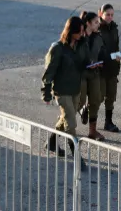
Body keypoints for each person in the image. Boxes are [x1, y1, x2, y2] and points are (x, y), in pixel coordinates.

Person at [41, 16, 89, 156]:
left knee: (66, 118)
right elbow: (48, 72)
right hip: (62, 91)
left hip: (75, 89)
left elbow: (83, 63)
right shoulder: (58, 48)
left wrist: (91, 66)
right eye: (79, 32)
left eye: (82, 32)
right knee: (71, 123)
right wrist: (46, 92)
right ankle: (76, 154)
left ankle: (51, 142)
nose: (81, 34)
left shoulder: (80, 45)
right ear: (70, 31)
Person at [78, 11, 106, 140]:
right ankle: (62, 126)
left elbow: (102, 53)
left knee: (96, 100)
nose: (98, 24)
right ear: (88, 23)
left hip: (94, 73)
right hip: (81, 75)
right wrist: (85, 64)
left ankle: (92, 131)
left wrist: (101, 63)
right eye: (95, 22)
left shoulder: (98, 37)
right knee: (79, 102)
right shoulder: (78, 38)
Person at [98, 3, 121, 132]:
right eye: (107, 14)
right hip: (100, 69)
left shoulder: (114, 28)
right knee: (99, 97)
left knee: (111, 96)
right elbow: (97, 51)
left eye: (112, 15)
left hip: (112, 68)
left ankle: (108, 123)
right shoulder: (97, 29)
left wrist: (118, 58)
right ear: (100, 14)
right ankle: (85, 110)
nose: (110, 17)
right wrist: (112, 56)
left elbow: (116, 46)